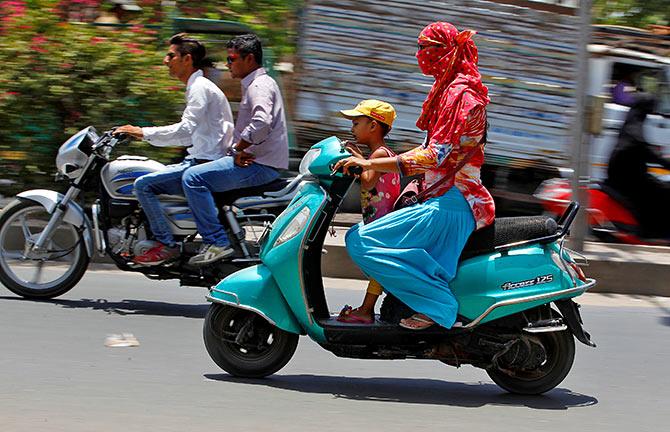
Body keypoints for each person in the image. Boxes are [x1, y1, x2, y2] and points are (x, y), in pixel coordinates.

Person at [333, 22, 494, 331]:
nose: (419, 55)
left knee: (360, 241)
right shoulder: (448, 89)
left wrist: (375, 164)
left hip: (454, 202)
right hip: (439, 196)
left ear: (444, 52)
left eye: (425, 48)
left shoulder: (460, 95)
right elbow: (428, 148)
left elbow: (435, 156)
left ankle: (437, 305)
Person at [114, 33, 234, 265]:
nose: (165, 60)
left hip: (204, 162)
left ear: (187, 59)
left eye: (171, 55)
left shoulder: (200, 88)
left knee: (143, 184)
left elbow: (185, 130)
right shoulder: (198, 86)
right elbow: (189, 133)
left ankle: (166, 245)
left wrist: (142, 132)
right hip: (201, 158)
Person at [183, 33, 289, 266]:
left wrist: (238, 148)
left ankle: (216, 242)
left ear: (249, 59)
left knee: (192, 178)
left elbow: (261, 123)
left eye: (231, 59)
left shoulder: (258, 86)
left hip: (261, 165)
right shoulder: (258, 84)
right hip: (261, 161)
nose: (227, 65)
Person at [335, 99, 401, 324]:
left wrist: (358, 160)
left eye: (356, 123)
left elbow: (368, 183)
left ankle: (365, 311)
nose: (352, 129)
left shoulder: (381, 154)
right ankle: (366, 308)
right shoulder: (377, 154)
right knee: (375, 264)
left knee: (376, 264)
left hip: (381, 222)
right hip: (378, 220)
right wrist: (359, 159)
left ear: (373, 126)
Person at [605, 95, 670, 238]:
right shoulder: (635, 129)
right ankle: (654, 232)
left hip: (625, 174)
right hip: (628, 178)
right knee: (663, 192)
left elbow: (645, 150)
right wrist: (666, 164)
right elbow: (647, 151)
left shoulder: (631, 122)